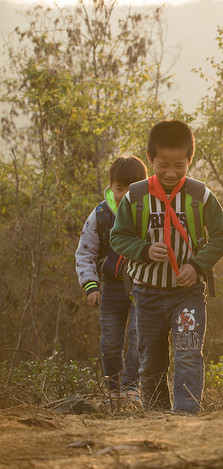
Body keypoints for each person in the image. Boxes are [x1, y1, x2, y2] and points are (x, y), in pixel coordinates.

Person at [110, 120, 223, 413]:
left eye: (180, 165)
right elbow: (118, 237)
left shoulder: (201, 195)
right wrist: (144, 250)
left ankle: (186, 414)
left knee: (188, 353)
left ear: (190, 160)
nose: (170, 172)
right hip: (146, 294)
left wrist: (197, 265)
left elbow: (222, 236)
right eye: (162, 164)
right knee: (150, 360)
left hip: (187, 293)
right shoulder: (136, 196)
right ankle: (156, 414)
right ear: (150, 158)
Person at [75, 155, 148, 397]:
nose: (126, 194)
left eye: (133, 189)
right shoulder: (101, 214)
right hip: (112, 286)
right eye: (120, 188)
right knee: (110, 341)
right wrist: (90, 285)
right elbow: (85, 250)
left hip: (143, 285)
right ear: (111, 186)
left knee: (140, 337)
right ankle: (113, 390)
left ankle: (131, 386)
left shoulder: (150, 212)